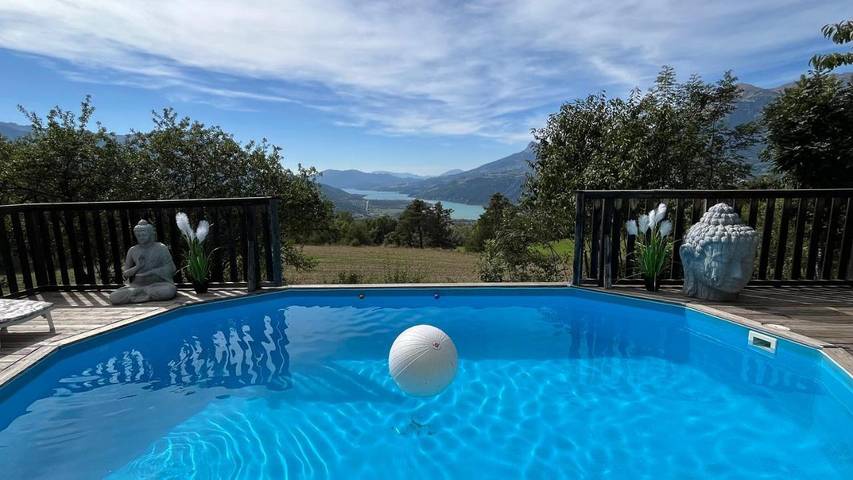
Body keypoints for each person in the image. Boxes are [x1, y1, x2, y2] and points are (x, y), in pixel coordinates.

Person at [109, 220, 177, 304]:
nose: (141, 237)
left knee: (168, 291)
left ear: (150, 234)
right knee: (114, 297)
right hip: (137, 285)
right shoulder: (133, 250)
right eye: (138, 235)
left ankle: (141, 294)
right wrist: (138, 267)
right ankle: (144, 294)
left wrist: (153, 272)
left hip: (158, 284)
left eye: (144, 235)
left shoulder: (161, 248)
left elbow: (172, 268)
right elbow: (125, 274)